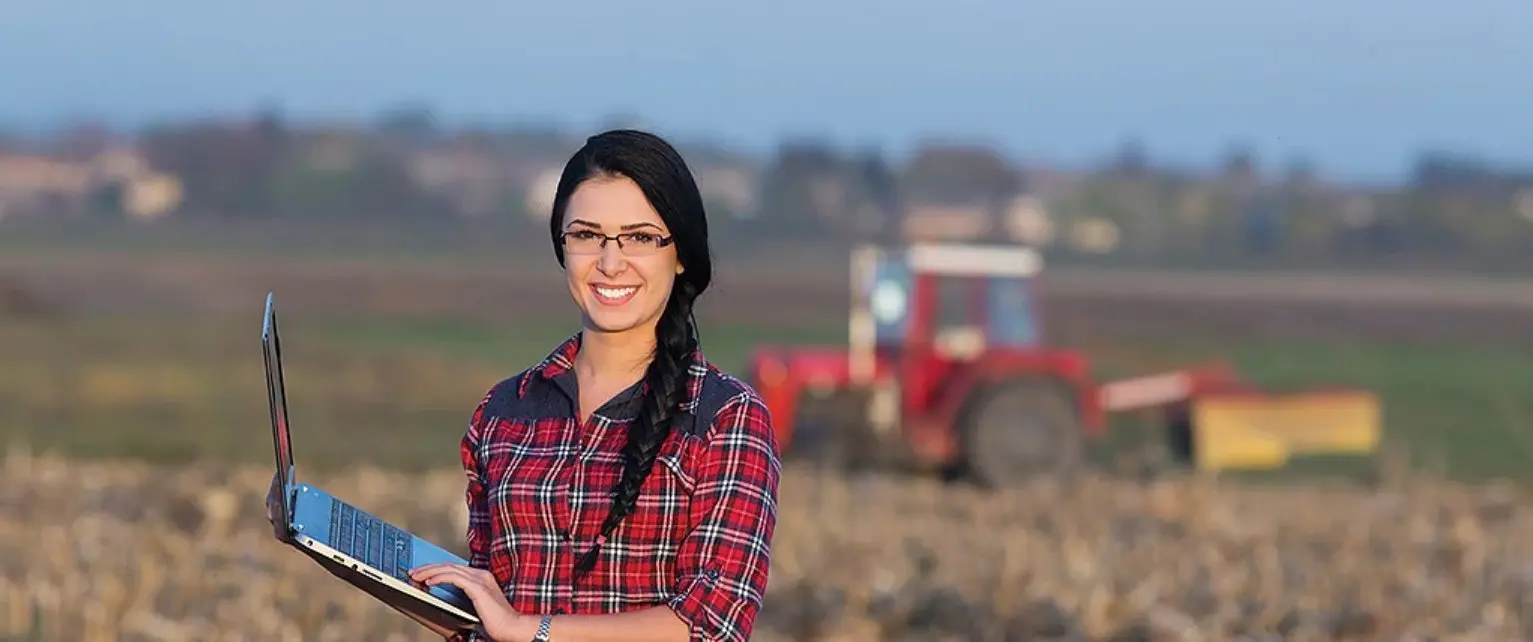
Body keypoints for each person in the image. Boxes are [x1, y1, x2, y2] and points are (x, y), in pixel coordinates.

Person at [268, 129, 782, 642]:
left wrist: (529, 629)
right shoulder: (505, 412)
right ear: (561, 246)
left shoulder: (726, 418)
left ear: (681, 253)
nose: (610, 262)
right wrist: (325, 544)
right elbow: (482, 623)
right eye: (586, 235)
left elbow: (712, 625)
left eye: (641, 237)